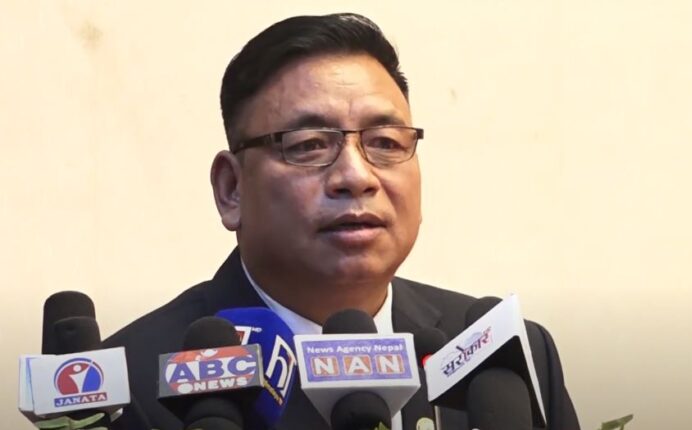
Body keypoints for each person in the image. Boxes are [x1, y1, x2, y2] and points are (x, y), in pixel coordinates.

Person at [104, 13, 580, 430]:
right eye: (309, 145)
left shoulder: (503, 358)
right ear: (232, 190)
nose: (356, 176)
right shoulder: (134, 387)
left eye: (386, 142)